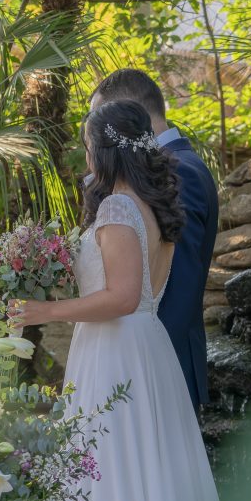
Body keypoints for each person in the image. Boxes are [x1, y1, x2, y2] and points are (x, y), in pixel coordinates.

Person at [10, 101, 251, 501]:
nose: (85, 154)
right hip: (146, 350)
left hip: (115, 352)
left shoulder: (118, 208)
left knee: (110, 482)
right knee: (149, 481)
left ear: (105, 147)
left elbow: (120, 297)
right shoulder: (152, 206)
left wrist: (44, 309)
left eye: (87, 143)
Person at [89, 69, 218, 414]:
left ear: (128, 115)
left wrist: (148, 363)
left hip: (158, 364)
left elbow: (179, 282)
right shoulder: (169, 169)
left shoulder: (180, 172)